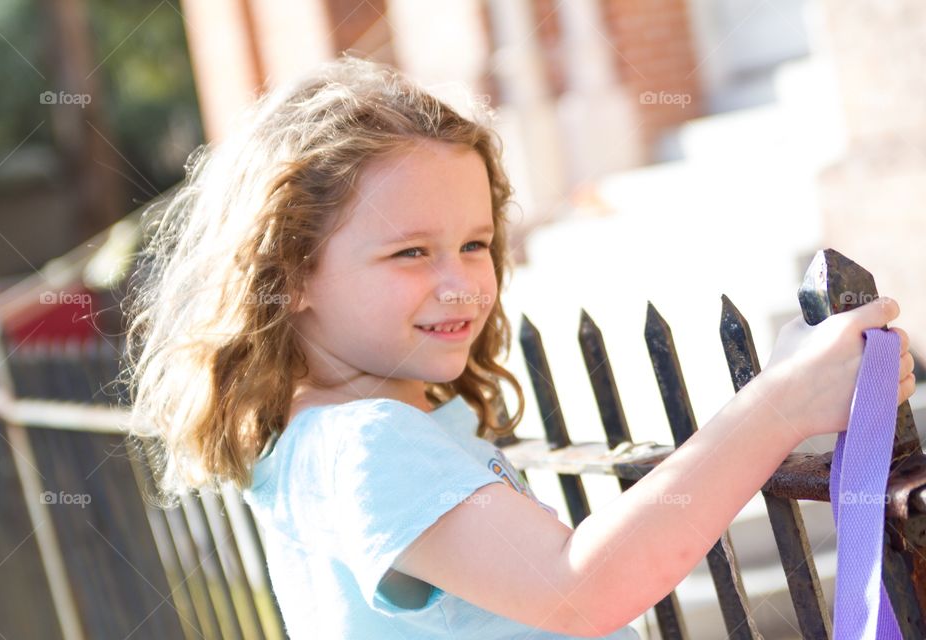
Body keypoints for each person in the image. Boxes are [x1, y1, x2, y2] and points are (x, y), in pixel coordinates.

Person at [123, 54, 917, 639]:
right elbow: (581, 589)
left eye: (474, 243)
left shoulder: (331, 433)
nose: (462, 281)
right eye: (410, 253)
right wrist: (777, 406)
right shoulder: (364, 442)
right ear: (291, 272)